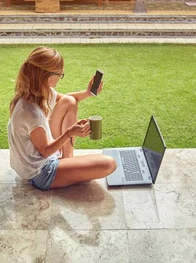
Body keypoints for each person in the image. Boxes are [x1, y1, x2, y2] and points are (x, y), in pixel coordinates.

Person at [7, 46, 117, 191]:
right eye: (59, 73)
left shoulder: (37, 91)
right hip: (40, 173)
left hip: (34, 160)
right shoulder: (31, 114)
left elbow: (66, 99)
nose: (60, 76)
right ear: (45, 75)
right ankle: (67, 167)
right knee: (109, 164)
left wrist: (88, 92)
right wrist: (69, 133)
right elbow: (45, 151)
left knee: (69, 101)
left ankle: (67, 161)